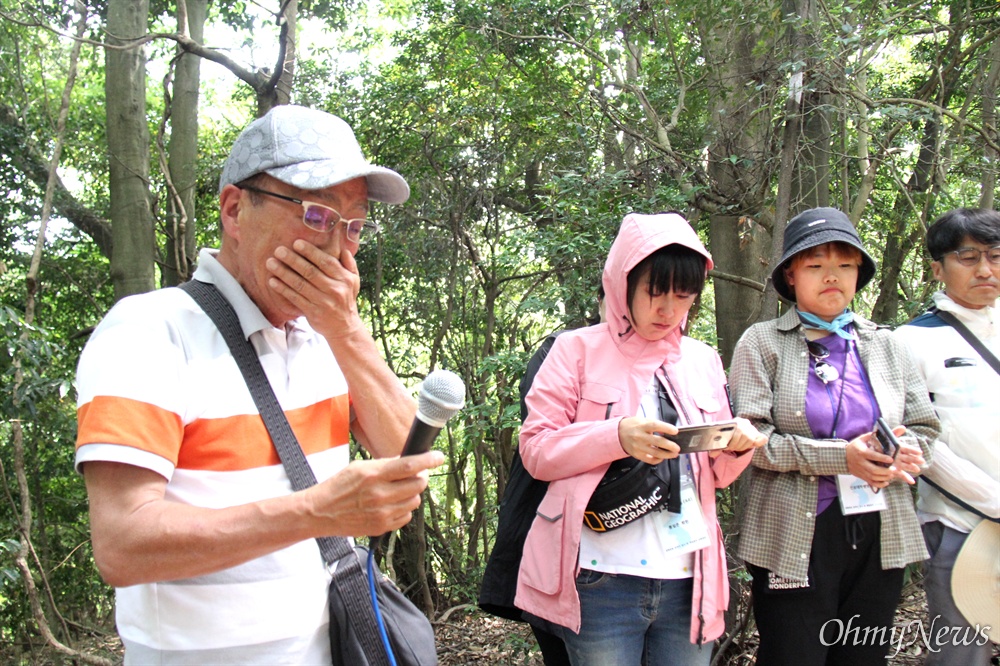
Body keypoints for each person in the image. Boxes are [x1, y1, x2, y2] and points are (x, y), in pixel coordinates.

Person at [74, 105, 444, 664]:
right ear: (233, 210)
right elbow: (123, 545)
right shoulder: (150, 331)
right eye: (316, 215)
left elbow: (403, 455)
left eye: (354, 225)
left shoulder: (327, 336)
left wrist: (346, 330)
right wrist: (316, 513)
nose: (337, 247)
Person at [514, 212, 766, 666]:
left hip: (690, 579)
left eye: (683, 296)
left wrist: (738, 446)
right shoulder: (574, 351)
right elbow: (536, 450)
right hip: (599, 577)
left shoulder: (703, 360)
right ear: (622, 282)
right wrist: (616, 436)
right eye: (655, 292)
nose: (668, 310)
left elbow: (718, 476)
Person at [729, 207, 939, 665]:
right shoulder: (764, 343)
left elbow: (924, 426)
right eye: (816, 264)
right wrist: (841, 458)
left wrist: (905, 451)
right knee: (794, 654)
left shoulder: (886, 344)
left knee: (863, 657)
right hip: (794, 532)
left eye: (845, 264)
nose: (832, 276)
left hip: (879, 528)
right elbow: (752, 441)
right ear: (790, 274)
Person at [893, 208, 1000, 664]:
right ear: (937, 268)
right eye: (968, 257)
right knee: (961, 656)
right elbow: (917, 442)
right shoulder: (910, 341)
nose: (985, 269)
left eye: (995, 256)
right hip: (959, 525)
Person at [479, 288, 603, 666]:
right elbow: (548, 432)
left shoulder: (673, 361)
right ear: (602, 299)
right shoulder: (559, 350)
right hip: (548, 530)